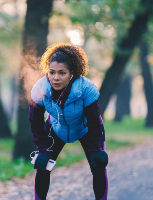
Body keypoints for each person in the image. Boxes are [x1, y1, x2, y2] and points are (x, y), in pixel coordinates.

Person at [29, 43, 108, 200]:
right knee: (42, 167)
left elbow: (94, 121)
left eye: (62, 73)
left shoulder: (86, 88)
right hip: (56, 129)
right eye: (52, 72)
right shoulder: (40, 89)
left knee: (98, 165)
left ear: (72, 73)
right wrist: (42, 148)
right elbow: (35, 121)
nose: (56, 77)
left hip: (86, 129)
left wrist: (95, 149)